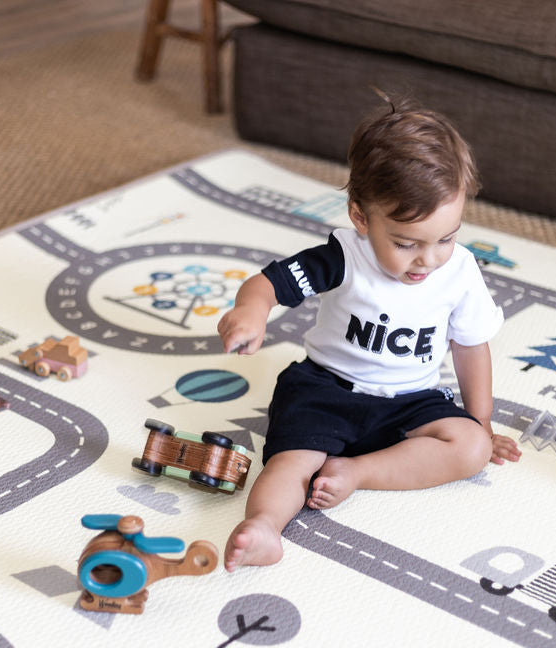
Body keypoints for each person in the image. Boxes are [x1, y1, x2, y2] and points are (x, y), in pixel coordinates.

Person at [217, 95, 522, 572]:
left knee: (472, 449)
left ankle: (357, 472)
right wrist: (251, 312)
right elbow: (268, 284)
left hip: (410, 400)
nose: (428, 259)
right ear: (361, 216)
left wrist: (481, 422)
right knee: (291, 462)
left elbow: (470, 345)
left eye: (446, 237)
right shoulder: (344, 256)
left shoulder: (459, 271)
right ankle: (264, 528)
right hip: (325, 391)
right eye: (406, 243)